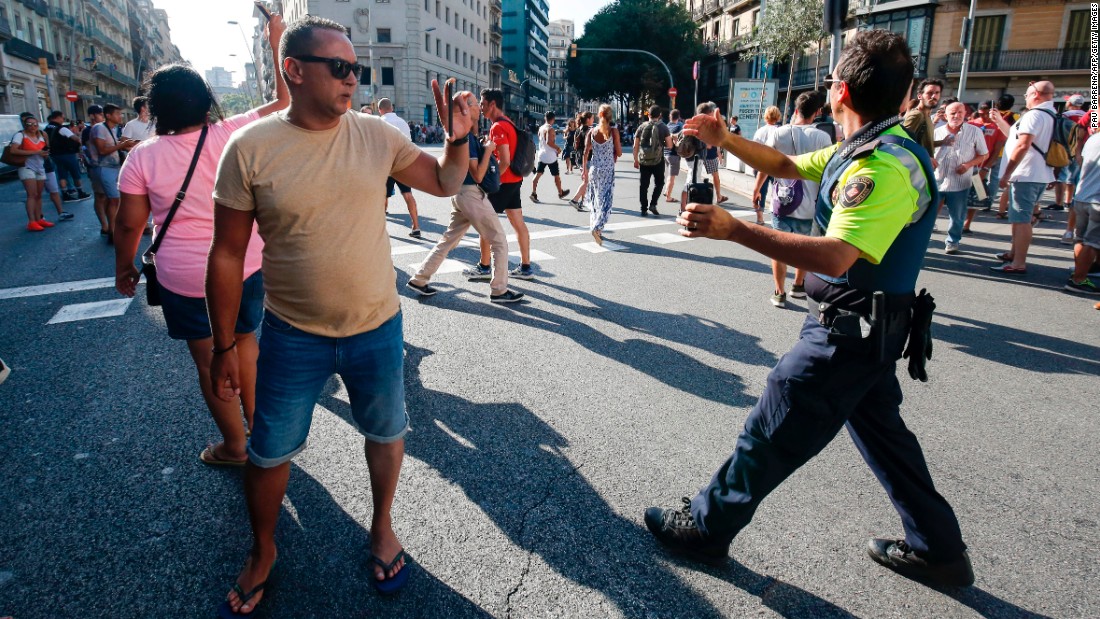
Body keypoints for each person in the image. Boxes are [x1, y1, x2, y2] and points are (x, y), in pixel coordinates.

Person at [646, 29, 975, 589]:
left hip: (848, 330)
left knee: (771, 425)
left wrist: (735, 230)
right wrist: (725, 137)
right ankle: (939, 549)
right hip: (869, 326)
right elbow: (784, 165)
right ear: (905, 92)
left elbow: (836, 256)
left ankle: (705, 527)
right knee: (885, 439)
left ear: (839, 89)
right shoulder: (867, 145)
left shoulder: (882, 168)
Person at [206, 16, 474, 615]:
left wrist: (457, 139)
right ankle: (263, 549)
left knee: (386, 433)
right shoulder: (248, 148)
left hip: (377, 327)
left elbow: (444, 181)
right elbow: (226, 253)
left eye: (356, 69)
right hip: (289, 335)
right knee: (270, 450)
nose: (353, 79)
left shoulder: (376, 134)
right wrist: (225, 344)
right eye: (341, 68)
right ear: (294, 71)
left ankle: (381, 527)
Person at [114, 16, 289, 471]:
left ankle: (234, 446)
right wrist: (276, 43)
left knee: (209, 358)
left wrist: (124, 267)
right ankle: (261, 434)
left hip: (183, 275)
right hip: (245, 266)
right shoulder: (229, 133)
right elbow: (284, 100)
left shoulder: (141, 156)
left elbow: (130, 224)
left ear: (154, 109)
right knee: (246, 345)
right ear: (206, 103)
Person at [406, 98, 524, 303]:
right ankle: (499, 290)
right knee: (499, 241)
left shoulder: (468, 136)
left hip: (461, 194)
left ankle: (419, 278)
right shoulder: (466, 139)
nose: (479, 105)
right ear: (464, 110)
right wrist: (488, 150)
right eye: (473, 102)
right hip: (470, 194)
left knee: (448, 240)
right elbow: (477, 175)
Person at [756, 91, 831, 306]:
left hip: (783, 200)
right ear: (817, 112)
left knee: (778, 248)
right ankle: (798, 285)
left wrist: (757, 189)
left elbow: (766, 163)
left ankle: (779, 292)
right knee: (804, 248)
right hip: (811, 205)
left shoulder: (779, 133)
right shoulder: (823, 137)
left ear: (795, 110)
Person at [991, 81, 1057, 275]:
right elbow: (1015, 137)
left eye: (1027, 95)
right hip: (1035, 174)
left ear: (1035, 94)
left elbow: (1023, 145)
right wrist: (999, 121)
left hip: (1025, 174)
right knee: (1020, 217)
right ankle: (1014, 254)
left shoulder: (1034, 115)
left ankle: (1018, 262)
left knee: (1022, 220)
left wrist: (1007, 173)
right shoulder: (1049, 114)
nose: (1025, 98)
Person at [478, 88, 535, 279]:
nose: (480, 107)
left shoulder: (498, 126)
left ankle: (484, 267)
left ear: (493, 104)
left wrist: (490, 183)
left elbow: (505, 160)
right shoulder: (508, 122)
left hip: (504, 182)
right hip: (515, 180)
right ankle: (526, 267)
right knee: (518, 223)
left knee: (485, 224)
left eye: (483, 103)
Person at [934, 101, 987, 254]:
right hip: (937, 179)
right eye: (952, 113)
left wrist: (968, 164)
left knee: (957, 215)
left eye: (960, 113)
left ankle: (952, 241)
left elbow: (984, 154)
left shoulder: (974, 131)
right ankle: (924, 239)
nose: (956, 116)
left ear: (965, 114)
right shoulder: (937, 131)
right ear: (945, 115)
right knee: (929, 213)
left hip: (960, 182)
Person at [87, 104, 139, 244]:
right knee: (113, 200)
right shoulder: (100, 128)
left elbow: (116, 147)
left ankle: (110, 228)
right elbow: (102, 150)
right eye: (118, 114)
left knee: (110, 199)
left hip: (112, 167)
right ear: (108, 115)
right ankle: (112, 231)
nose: (120, 116)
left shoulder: (112, 129)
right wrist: (122, 145)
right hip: (103, 167)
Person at [378, 98, 423, 238]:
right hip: (403, 164)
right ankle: (416, 227)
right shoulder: (403, 122)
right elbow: (409, 144)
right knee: (408, 195)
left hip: (388, 165)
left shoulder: (380, 122)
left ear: (380, 110)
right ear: (392, 108)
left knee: (383, 196)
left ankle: (381, 230)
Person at [1066, 131, 1100, 294]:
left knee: (1081, 238)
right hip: (1097, 199)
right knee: (1092, 242)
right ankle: (1079, 279)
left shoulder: (1093, 138)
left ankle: (1079, 273)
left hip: (1082, 195)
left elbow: (1080, 160)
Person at [9, 114, 56, 231]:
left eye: (35, 124)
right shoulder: (20, 135)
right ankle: (31, 221)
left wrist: (45, 154)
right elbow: (13, 150)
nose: (33, 126)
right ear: (25, 125)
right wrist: (35, 152)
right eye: (29, 124)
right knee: (32, 195)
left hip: (40, 166)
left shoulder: (41, 135)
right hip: (26, 167)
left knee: (39, 195)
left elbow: (46, 150)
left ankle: (39, 218)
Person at [583, 103, 621, 245]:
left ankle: (597, 228)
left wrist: (584, 171)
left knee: (595, 200)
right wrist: (614, 152)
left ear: (599, 115)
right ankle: (597, 227)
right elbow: (620, 152)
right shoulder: (613, 132)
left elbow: (586, 153)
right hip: (607, 170)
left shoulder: (591, 132)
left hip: (594, 170)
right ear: (611, 116)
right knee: (606, 200)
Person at [963, 102, 1006, 225]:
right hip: (967, 164)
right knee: (961, 196)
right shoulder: (971, 124)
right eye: (981, 114)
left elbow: (997, 150)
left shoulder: (998, 127)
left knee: (977, 196)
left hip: (982, 167)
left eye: (987, 114)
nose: (984, 117)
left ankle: (967, 224)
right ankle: (957, 222)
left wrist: (986, 168)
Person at [43, 110, 91, 202]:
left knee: (62, 174)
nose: (63, 120)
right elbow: (75, 138)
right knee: (75, 173)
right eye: (63, 118)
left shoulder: (46, 128)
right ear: (58, 117)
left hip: (54, 155)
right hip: (67, 153)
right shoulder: (61, 128)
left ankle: (65, 194)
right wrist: (79, 145)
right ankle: (80, 192)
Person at [633, 105, 671, 216]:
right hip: (657, 160)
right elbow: (669, 145)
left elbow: (635, 145)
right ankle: (653, 204)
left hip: (644, 160)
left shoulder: (641, 127)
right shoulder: (663, 127)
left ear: (648, 115)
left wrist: (635, 160)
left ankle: (643, 208)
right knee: (659, 183)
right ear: (659, 115)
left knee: (643, 185)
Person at [751, 106, 784, 225]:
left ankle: (760, 218)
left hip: (761, 165)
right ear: (778, 116)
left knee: (760, 191)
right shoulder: (781, 131)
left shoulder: (760, 131)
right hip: (776, 165)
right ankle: (778, 214)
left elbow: (754, 150)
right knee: (778, 190)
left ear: (765, 117)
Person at [902, 78, 948, 158]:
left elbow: (925, 143)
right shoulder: (917, 115)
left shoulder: (927, 115)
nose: (934, 96)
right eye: (929, 93)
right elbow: (903, 142)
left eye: (937, 93)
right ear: (920, 96)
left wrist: (942, 142)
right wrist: (926, 158)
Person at [531, 111, 569, 202]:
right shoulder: (550, 129)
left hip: (542, 154)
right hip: (550, 156)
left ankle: (533, 193)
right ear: (553, 119)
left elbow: (543, 142)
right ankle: (560, 192)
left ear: (545, 118)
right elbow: (549, 142)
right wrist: (558, 148)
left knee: (538, 174)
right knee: (556, 175)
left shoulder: (541, 128)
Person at [696, 102, 729, 203]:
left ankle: (698, 195)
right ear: (710, 112)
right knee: (715, 175)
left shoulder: (699, 122)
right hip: (709, 154)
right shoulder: (712, 123)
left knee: (695, 176)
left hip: (699, 154)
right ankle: (718, 196)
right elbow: (713, 142)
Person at [568, 111, 594, 211]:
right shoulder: (589, 131)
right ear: (587, 119)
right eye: (592, 118)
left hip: (579, 158)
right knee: (586, 182)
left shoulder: (578, 130)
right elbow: (590, 147)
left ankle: (581, 203)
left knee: (585, 181)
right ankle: (575, 200)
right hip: (586, 158)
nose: (593, 120)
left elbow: (575, 145)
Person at [663, 109, 684, 203]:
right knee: (672, 177)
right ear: (678, 117)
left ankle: (666, 191)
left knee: (669, 174)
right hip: (674, 155)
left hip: (665, 153)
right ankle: (668, 196)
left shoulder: (667, 126)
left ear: (670, 117)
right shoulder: (679, 126)